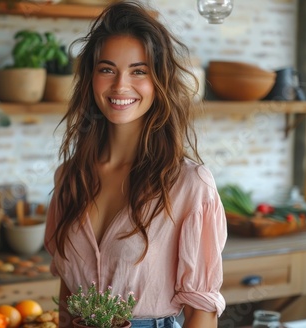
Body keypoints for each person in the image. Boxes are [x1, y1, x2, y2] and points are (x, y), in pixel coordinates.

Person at [44, 1, 227, 328]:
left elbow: (202, 311)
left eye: (138, 71)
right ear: (91, 78)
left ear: (159, 81)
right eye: (107, 69)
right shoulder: (70, 177)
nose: (120, 86)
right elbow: (66, 294)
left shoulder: (190, 185)